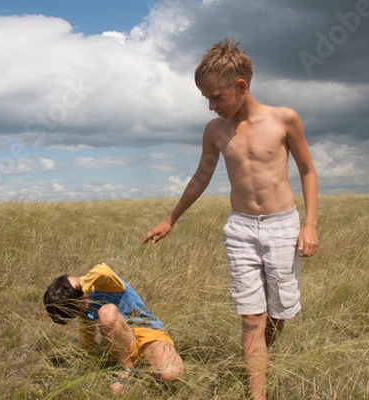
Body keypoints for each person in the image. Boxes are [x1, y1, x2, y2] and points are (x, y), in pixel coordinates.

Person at [142, 38, 318, 400]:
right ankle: (258, 392)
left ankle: (259, 356)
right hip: (240, 229)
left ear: (240, 87)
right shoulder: (215, 131)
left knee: (279, 312)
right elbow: (201, 177)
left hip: (283, 225)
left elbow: (308, 171)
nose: (211, 105)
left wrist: (310, 224)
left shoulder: (284, 119)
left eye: (216, 97)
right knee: (251, 317)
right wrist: (170, 219)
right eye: (205, 98)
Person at [43, 262, 184, 394]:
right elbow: (87, 339)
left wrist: (82, 284)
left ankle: (143, 368)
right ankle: (128, 371)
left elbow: (103, 270)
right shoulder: (84, 309)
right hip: (125, 345)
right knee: (117, 391)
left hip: (149, 334)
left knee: (170, 375)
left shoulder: (104, 283)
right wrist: (88, 363)